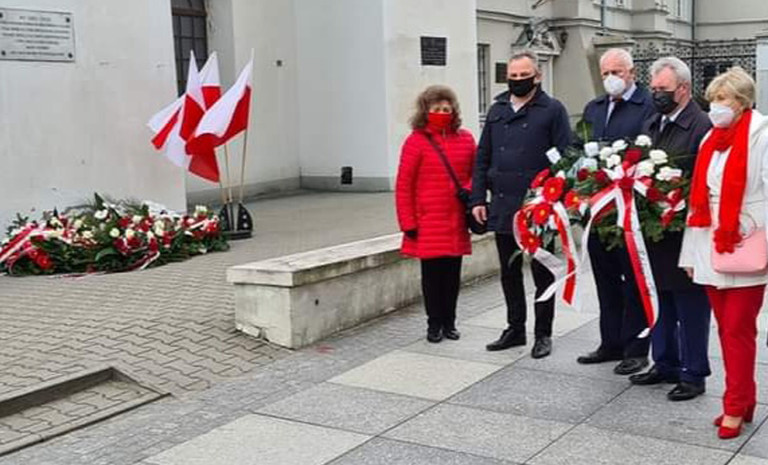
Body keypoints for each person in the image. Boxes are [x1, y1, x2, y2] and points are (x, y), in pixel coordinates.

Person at [679, 67, 768, 439]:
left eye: (722, 99)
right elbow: (698, 199)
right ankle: (744, 398)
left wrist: (749, 224)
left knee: (737, 329)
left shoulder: (762, 135)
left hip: (744, 239)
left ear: (741, 102)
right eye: (713, 99)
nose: (715, 106)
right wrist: (689, 255)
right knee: (727, 329)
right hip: (708, 244)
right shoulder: (711, 139)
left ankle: (734, 405)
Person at [470, 50, 571, 359]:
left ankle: (543, 333)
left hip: (537, 206)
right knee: (509, 272)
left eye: (523, 75)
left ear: (537, 76)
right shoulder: (497, 109)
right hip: (503, 203)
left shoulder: (552, 109)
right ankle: (515, 329)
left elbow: (565, 157)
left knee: (542, 272)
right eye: (512, 76)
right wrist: (478, 198)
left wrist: (554, 198)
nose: (517, 80)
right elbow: (482, 157)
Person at [629, 57, 713, 401]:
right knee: (659, 298)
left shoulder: (701, 126)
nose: (656, 94)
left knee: (690, 305)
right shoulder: (653, 121)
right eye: (653, 88)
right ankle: (664, 362)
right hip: (654, 230)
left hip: (684, 232)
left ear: (683, 89)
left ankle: (693, 372)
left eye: (663, 89)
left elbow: (704, 181)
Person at [576, 48, 656, 375]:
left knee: (634, 279)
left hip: (631, 209)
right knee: (605, 279)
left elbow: (650, 152)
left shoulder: (647, 106)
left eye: (617, 72)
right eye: (606, 73)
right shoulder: (594, 108)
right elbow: (580, 148)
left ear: (632, 73)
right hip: (599, 208)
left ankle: (636, 348)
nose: (611, 78)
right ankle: (610, 342)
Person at [395, 85, 477, 343]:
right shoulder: (416, 141)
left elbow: (477, 174)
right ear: (425, 111)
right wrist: (407, 222)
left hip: (455, 220)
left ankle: (450, 322)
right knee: (431, 278)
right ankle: (434, 324)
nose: (442, 113)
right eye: (436, 109)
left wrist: (468, 190)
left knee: (452, 277)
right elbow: (404, 185)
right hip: (427, 221)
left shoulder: (466, 139)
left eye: (446, 109)